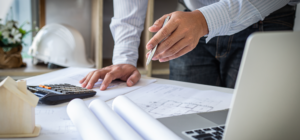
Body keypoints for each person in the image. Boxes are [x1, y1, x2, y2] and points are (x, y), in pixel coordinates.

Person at [80, 0, 299, 90]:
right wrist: (124, 58)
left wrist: (205, 20)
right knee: (188, 128)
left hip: (263, 21)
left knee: (255, 130)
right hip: (187, 23)